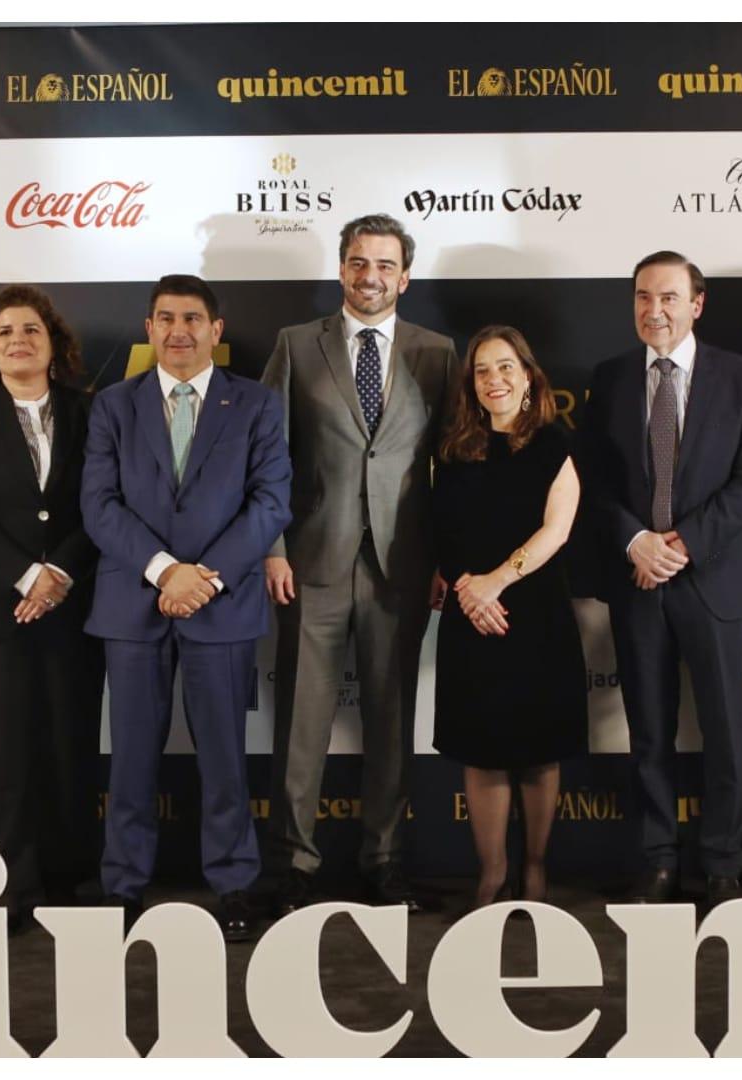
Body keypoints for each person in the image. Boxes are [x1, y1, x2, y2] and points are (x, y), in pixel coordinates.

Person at [81, 274, 291, 942]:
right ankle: (123, 885)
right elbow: (99, 505)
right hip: (133, 605)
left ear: (216, 330)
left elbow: (271, 502)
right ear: (149, 329)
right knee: (132, 759)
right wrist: (166, 570)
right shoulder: (113, 405)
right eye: (166, 318)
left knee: (226, 759)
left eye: (193, 318)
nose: (179, 330)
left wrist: (207, 577)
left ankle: (233, 883)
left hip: (221, 607)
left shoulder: (256, 405)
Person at [260, 214, 459, 913]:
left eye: (383, 264)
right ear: (340, 269)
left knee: (391, 717)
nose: (368, 275)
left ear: (404, 276)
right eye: (355, 262)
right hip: (310, 560)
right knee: (300, 724)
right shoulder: (296, 345)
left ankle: (384, 861)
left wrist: (445, 558)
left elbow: (454, 467)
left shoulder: (438, 352)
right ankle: (292, 865)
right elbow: (269, 456)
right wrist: (273, 548)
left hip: (402, 565)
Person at [577, 251, 742, 909]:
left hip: (714, 579)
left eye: (667, 297)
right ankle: (659, 860)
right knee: (650, 733)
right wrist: (637, 540)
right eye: (641, 297)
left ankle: (722, 866)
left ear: (697, 303)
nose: (652, 310)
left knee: (725, 734)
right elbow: (595, 482)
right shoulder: (610, 379)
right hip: (639, 579)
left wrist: (682, 543)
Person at [0, 285, 104, 929]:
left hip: (71, 608)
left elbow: (103, 502)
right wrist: (28, 574)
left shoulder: (90, 413)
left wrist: (58, 572)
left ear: (53, 343)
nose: (18, 340)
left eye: (30, 329)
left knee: (66, 744)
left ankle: (66, 879)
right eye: (4, 332)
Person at [432, 326, 585, 908]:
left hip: (534, 614)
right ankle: (493, 875)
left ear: (528, 375)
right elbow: (439, 527)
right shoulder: (453, 448)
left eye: (504, 368)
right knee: (483, 749)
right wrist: (471, 592)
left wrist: (497, 582)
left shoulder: (554, 443)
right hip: (471, 615)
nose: (493, 380)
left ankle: (537, 869)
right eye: (481, 371)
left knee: (538, 750)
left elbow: (558, 528)